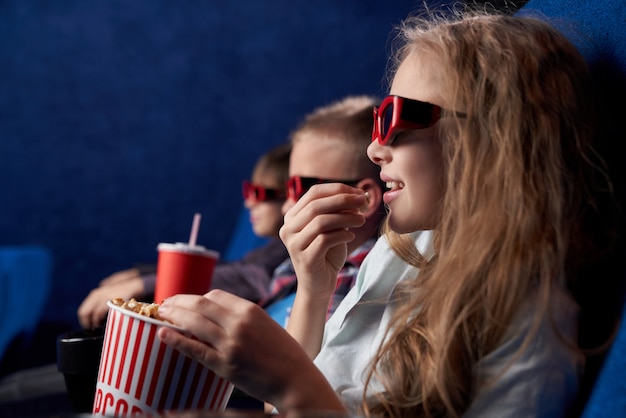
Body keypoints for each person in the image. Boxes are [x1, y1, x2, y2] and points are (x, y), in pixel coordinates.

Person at [155, 11, 614, 417]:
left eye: (395, 119)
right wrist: (314, 285)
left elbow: (294, 396)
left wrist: (292, 385)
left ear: (494, 141)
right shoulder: (398, 254)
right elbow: (280, 407)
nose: (375, 149)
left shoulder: (531, 326)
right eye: (377, 121)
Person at [77, 142, 292, 329]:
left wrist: (142, 284)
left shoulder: (288, 250)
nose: (248, 203)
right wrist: (142, 274)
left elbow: (249, 278)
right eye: (248, 191)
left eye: (259, 193)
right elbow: (234, 268)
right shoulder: (271, 248)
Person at [260, 95, 386, 326]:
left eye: (301, 187)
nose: (287, 206)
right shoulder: (289, 269)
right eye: (286, 188)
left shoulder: (360, 279)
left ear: (364, 199)